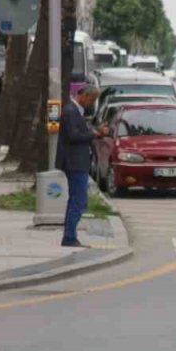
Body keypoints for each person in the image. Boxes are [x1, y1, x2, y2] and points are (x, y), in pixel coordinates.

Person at [56, 84, 103, 248]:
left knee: (76, 199)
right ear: (82, 95)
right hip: (74, 162)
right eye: (91, 99)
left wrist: (93, 132)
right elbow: (74, 136)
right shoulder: (70, 111)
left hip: (77, 162)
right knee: (79, 200)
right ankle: (69, 237)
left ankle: (70, 235)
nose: (91, 103)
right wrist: (93, 134)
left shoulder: (75, 111)